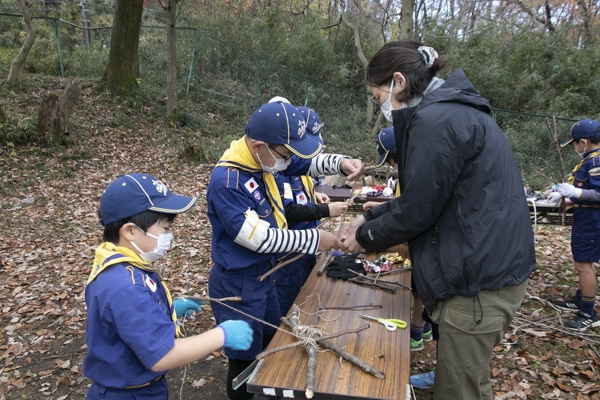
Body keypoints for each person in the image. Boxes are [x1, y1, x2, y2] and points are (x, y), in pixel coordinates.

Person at [340, 40, 536, 399]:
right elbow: (428, 196)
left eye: (376, 95)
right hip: (482, 267)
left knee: (461, 391)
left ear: (398, 82)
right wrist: (369, 218)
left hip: (477, 282)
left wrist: (364, 238)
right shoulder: (450, 111)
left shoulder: (436, 121)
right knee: (463, 375)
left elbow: (419, 210)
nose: (378, 104)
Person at [206, 101, 363, 400]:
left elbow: (308, 163)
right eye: (286, 154)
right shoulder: (227, 181)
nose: (289, 161)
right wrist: (315, 239)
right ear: (260, 146)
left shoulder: (264, 160)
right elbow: (258, 239)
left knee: (270, 342)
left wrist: (342, 163)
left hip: (266, 277)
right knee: (242, 359)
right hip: (238, 284)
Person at [83, 173, 253, 400]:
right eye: (164, 229)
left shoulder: (117, 265)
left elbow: (125, 320)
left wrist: (168, 310)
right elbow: (162, 356)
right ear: (130, 231)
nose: (169, 236)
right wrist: (221, 335)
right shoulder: (127, 287)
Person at [273, 105, 348, 316]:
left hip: (306, 249)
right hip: (288, 254)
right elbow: (286, 209)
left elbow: (299, 189)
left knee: (304, 296)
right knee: (285, 307)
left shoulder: (299, 166)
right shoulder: (279, 167)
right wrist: (324, 210)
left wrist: (312, 194)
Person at [364, 126, 432, 351]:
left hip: (424, 241)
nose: (391, 166)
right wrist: (380, 207)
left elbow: (409, 215)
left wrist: (371, 236)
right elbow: (402, 204)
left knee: (420, 289)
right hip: (418, 239)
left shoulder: (414, 173)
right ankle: (426, 326)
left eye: (391, 160)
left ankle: (416, 334)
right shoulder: (409, 171)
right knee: (418, 288)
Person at [553, 119, 600, 330]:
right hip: (585, 217)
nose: (574, 148)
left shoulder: (596, 161)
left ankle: (588, 312)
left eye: (573, 143)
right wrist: (568, 196)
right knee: (582, 261)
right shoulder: (590, 159)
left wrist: (576, 193)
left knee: (584, 263)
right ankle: (581, 299)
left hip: (593, 220)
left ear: (583, 142)